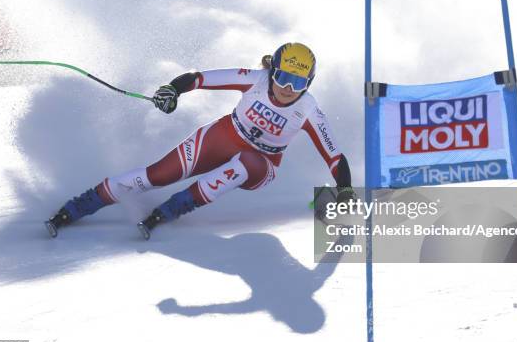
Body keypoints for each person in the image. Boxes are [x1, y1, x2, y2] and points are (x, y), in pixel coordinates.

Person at [45, 42, 354, 239]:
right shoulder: (254, 79)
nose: (288, 88)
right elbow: (199, 78)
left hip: (263, 164)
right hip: (222, 137)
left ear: (309, 84)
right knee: (156, 175)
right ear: (271, 72)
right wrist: (172, 90)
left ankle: (176, 207)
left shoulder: (308, 109)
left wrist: (345, 190)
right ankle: (77, 207)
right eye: (283, 77)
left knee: (245, 163)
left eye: (298, 82)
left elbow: (335, 157)